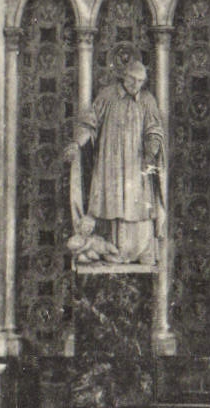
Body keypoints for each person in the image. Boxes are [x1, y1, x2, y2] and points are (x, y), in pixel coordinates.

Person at [63, 60, 166, 264]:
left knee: (137, 206)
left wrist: (151, 151)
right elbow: (89, 122)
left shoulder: (147, 100)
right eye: (132, 79)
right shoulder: (107, 95)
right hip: (109, 163)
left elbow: (154, 130)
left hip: (136, 164)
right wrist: (77, 143)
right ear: (124, 76)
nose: (135, 85)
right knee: (109, 202)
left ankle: (137, 250)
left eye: (140, 81)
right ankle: (109, 247)